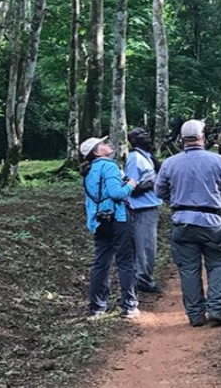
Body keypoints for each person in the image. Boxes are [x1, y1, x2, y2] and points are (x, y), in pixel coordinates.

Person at [154, 119, 221, 327]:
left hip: (181, 222)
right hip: (212, 221)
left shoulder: (169, 163)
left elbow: (159, 191)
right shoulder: (218, 160)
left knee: (188, 269)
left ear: (182, 139)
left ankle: (195, 315)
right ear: (202, 136)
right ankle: (218, 309)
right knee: (218, 263)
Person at [81, 136, 140, 320]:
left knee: (101, 262)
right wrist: (130, 185)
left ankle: (97, 307)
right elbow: (117, 193)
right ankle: (129, 306)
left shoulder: (89, 170)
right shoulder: (110, 166)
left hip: (99, 221)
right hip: (118, 218)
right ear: (97, 152)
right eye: (103, 144)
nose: (108, 145)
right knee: (125, 262)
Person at [125, 127, 162, 293]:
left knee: (148, 246)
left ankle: (143, 278)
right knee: (145, 247)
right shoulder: (134, 159)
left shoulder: (147, 157)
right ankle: (143, 281)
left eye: (146, 132)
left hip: (151, 207)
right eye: (140, 134)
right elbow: (131, 187)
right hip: (141, 209)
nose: (146, 134)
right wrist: (155, 182)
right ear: (133, 141)